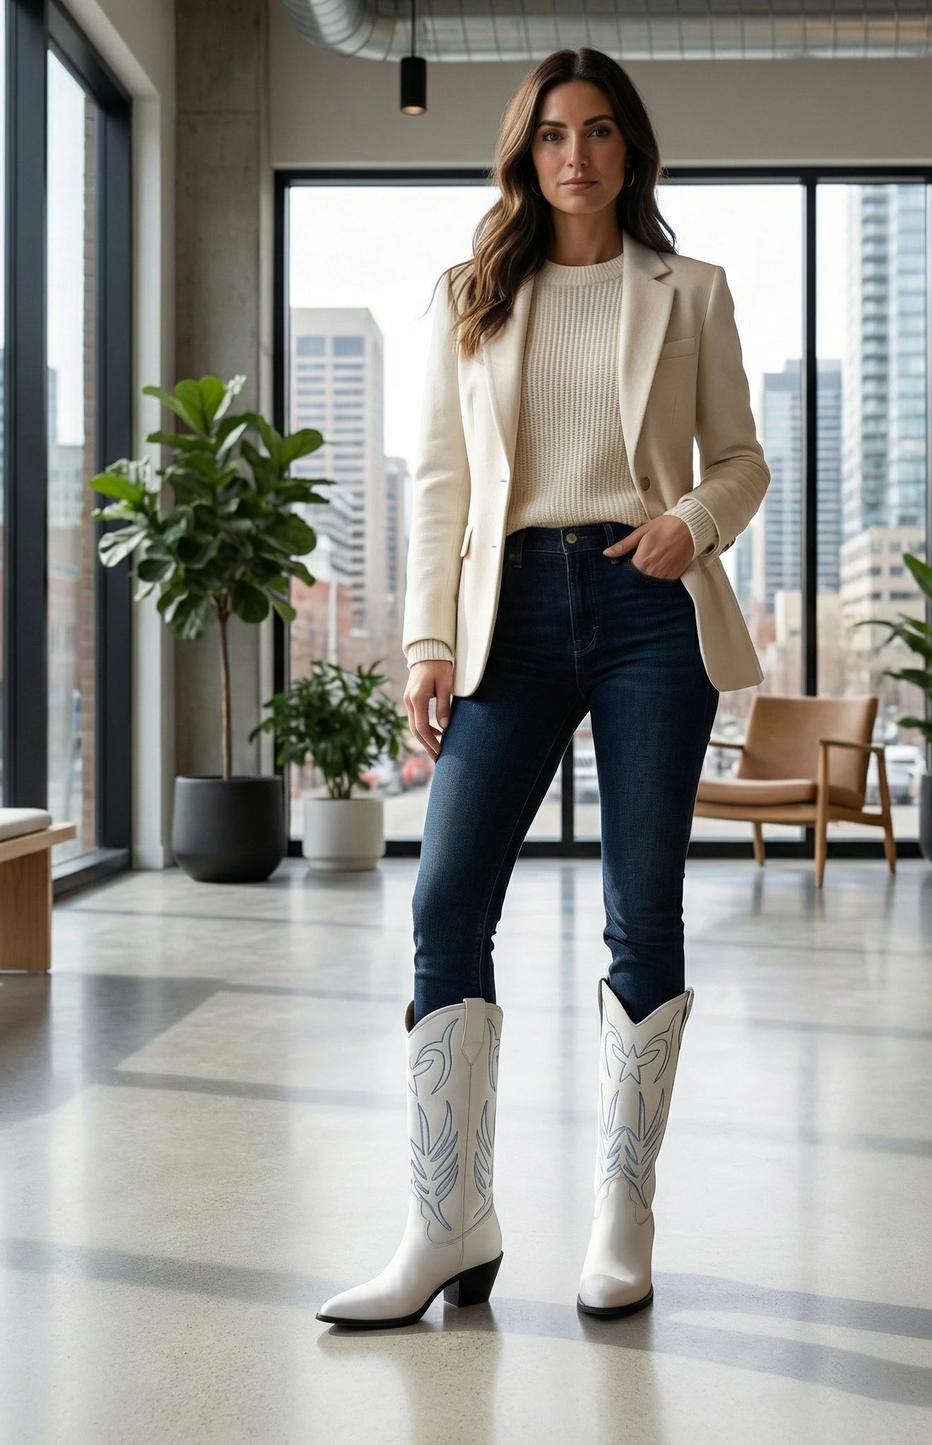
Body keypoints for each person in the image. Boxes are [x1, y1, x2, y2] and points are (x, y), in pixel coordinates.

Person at [317, 47, 769, 1330]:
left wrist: (691, 520)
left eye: (601, 132)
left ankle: (621, 1215)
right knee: (446, 898)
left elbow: (739, 456)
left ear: (631, 152)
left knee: (642, 908)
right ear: (525, 152)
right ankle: (444, 1219)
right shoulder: (473, 294)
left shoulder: (691, 292)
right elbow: (437, 484)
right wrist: (422, 643)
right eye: (554, 133)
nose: (576, 154)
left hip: (645, 606)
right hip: (503, 614)